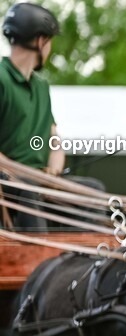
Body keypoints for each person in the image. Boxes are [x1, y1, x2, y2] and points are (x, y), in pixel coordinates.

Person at [0, 2, 62, 230]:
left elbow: (54, 139)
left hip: (39, 180)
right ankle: (37, 260)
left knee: (93, 187)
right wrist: (21, 172)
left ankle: (91, 261)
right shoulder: (1, 79)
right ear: (40, 41)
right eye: (50, 42)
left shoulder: (42, 87)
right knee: (28, 188)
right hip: (9, 181)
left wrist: (53, 171)